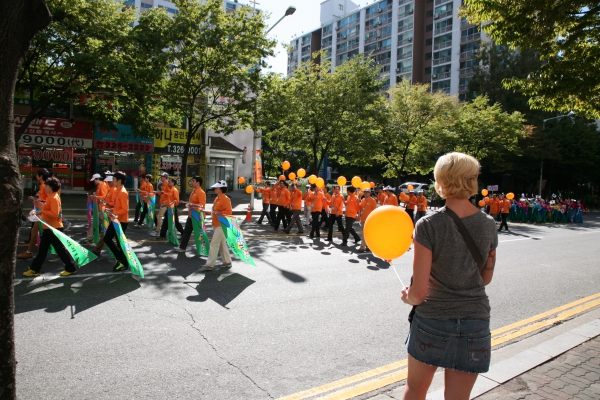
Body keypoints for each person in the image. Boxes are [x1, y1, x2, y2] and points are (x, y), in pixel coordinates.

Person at [400, 152, 497, 400]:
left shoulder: (429, 225)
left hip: (434, 320)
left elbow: (419, 292)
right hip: (475, 320)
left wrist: (408, 297)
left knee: (415, 389)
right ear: (472, 181)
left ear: (440, 180)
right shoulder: (488, 224)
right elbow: (485, 279)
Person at [23, 177, 77, 277]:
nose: (45, 188)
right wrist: (40, 211)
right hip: (49, 228)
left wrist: (42, 212)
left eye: (47, 186)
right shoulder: (51, 196)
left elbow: (55, 214)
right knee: (43, 250)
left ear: (51, 187)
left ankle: (70, 268)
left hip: (54, 228)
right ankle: (35, 269)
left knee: (59, 250)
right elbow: (49, 210)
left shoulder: (54, 197)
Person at [200, 180, 233, 271]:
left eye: (217, 187)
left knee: (214, 243)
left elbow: (229, 212)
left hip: (221, 225)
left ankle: (210, 264)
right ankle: (227, 262)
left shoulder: (225, 199)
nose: (214, 188)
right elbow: (214, 211)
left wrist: (219, 212)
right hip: (216, 224)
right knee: (222, 244)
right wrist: (207, 211)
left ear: (221, 189)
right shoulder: (217, 198)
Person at [18, 168, 50, 259]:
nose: (36, 176)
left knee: (36, 230)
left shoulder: (44, 186)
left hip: (42, 213)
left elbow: (46, 200)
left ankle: (29, 251)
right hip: (41, 212)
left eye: (37, 175)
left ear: (41, 176)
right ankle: (30, 251)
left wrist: (35, 199)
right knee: (40, 231)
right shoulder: (43, 185)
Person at [103, 172, 130, 271]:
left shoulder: (122, 192)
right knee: (108, 239)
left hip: (121, 221)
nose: (112, 181)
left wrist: (115, 213)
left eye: (113, 179)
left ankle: (123, 262)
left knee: (118, 243)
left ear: (119, 181)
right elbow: (118, 207)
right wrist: (111, 210)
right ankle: (120, 260)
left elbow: (125, 209)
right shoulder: (118, 190)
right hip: (116, 220)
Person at [176, 176, 207, 252]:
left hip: (198, 216)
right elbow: (193, 202)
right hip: (191, 215)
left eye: (193, 181)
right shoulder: (194, 191)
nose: (191, 182)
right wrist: (188, 203)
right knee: (187, 231)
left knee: (200, 234)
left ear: (198, 182)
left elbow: (201, 205)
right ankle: (182, 247)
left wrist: (191, 205)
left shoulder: (201, 192)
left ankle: (204, 249)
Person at [80, 173, 109, 244]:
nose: (94, 181)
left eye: (94, 180)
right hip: (99, 208)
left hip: (101, 208)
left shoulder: (102, 186)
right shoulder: (100, 186)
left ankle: (89, 238)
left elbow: (105, 197)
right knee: (102, 224)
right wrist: (94, 196)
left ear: (98, 179)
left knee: (99, 224)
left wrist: (96, 197)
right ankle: (90, 238)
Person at [92, 174, 116, 257]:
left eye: (109, 181)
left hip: (110, 214)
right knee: (107, 233)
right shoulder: (111, 189)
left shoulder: (113, 189)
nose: (107, 183)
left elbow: (114, 203)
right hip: (108, 213)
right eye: (107, 181)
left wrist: (104, 202)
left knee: (105, 233)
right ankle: (98, 250)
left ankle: (97, 250)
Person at [151, 172, 171, 237]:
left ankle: (157, 231)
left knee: (159, 216)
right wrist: (157, 192)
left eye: (162, 177)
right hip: (163, 202)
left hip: (165, 203)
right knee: (166, 218)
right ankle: (162, 230)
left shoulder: (167, 184)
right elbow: (162, 193)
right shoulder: (164, 184)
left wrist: (163, 193)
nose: (161, 178)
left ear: (165, 177)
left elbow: (170, 194)